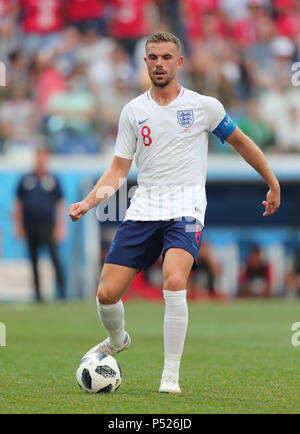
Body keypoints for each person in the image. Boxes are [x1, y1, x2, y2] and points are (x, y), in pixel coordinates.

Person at [69, 32, 280, 393]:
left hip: (186, 208)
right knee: (106, 294)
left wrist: (273, 183)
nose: (160, 63)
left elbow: (243, 143)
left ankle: (170, 377)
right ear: (146, 62)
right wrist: (89, 202)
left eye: (167, 57)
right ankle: (118, 340)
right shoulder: (133, 112)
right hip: (144, 208)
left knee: (174, 280)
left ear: (179, 62)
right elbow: (118, 170)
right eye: (153, 57)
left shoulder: (203, 106)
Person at [15, 147, 66, 301]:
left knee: (55, 258)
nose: (40, 160)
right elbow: (18, 204)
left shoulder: (52, 180)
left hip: (48, 226)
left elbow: (59, 204)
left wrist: (59, 227)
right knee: (34, 260)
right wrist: (19, 226)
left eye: (43, 157)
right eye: (38, 157)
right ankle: (38, 295)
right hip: (30, 226)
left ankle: (62, 293)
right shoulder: (26, 180)